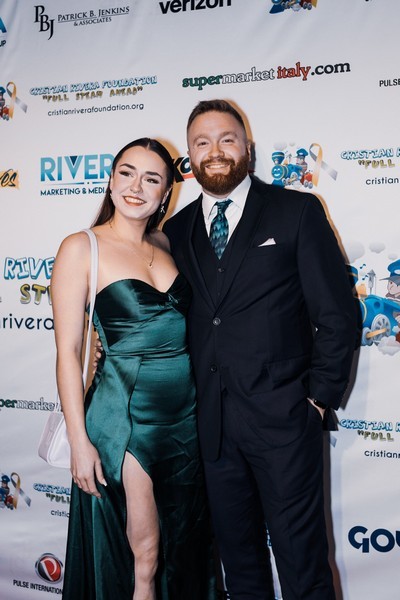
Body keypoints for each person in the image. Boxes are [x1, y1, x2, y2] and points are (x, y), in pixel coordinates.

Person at [162, 100, 359, 600]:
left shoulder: (296, 211)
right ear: (189, 156)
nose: (215, 151)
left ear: (247, 148)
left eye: (227, 139)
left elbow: (337, 314)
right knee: (240, 568)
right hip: (211, 430)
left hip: (285, 423)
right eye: (202, 142)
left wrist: (318, 400)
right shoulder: (176, 231)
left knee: (303, 567)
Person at [51, 138, 216, 600]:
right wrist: (79, 440)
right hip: (126, 418)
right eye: (126, 173)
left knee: (183, 544)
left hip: (184, 419)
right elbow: (68, 352)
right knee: (144, 553)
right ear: (110, 180)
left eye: (151, 178)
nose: (136, 187)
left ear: (166, 194)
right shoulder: (81, 247)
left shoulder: (166, 243)